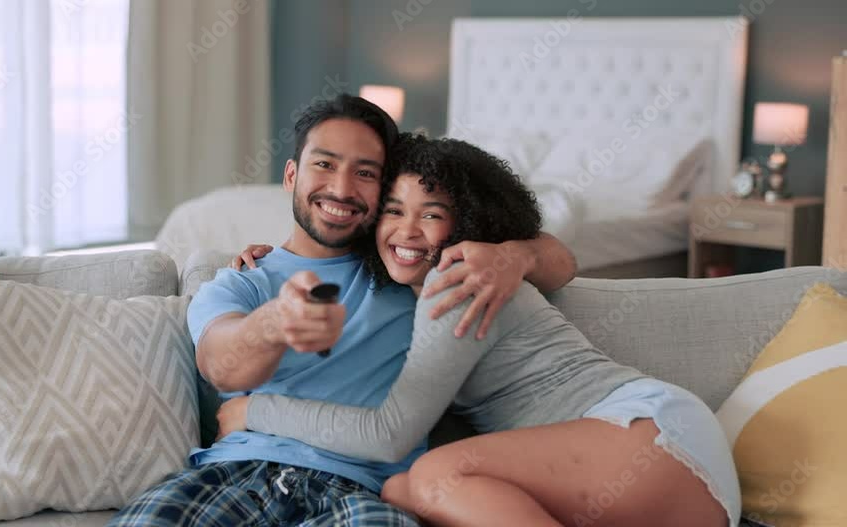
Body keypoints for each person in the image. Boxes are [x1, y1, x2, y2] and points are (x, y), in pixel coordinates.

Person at [219, 134, 742, 527]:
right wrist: (273, 259)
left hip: (654, 440)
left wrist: (253, 411)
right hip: (651, 477)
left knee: (431, 477)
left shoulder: (461, 281)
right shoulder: (411, 289)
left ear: (466, 221)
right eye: (394, 211)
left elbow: (388, 434)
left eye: (433, 214)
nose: (406, 230)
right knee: (402, 491)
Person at [105, 95, 577, 527]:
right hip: (237, 476)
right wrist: (276, 321)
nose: (342, 188)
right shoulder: (242, 280)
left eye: (366, 173)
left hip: (361, 493)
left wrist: (515, 256)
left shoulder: (409, 271)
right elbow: (221, 365)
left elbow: (560, 262)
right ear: (292, 175)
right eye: (324, 165)